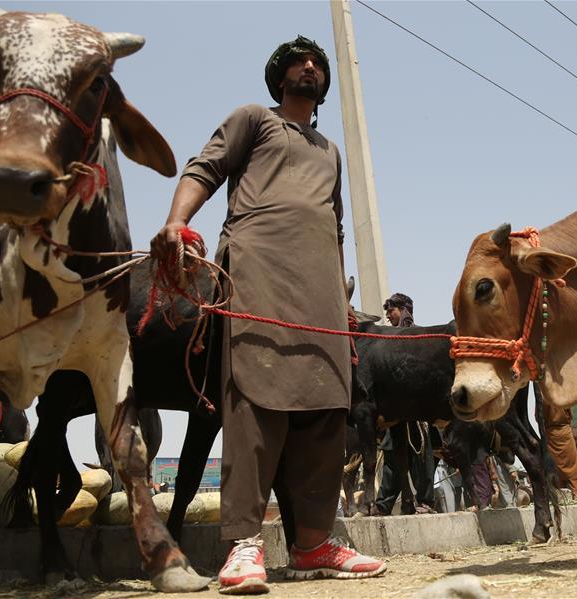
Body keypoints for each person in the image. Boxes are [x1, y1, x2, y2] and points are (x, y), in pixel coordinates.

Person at [151, 36, 385, 594]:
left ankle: (312, 544)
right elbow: (204, 168)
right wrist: (176, 224)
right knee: (256, 395)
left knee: (329, 405)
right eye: (299, 62)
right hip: (257, 269)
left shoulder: (329, 150)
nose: (310, 67)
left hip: (322, 288)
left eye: (318, 63)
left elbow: (335, 225)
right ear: (280, 76)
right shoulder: (254, 118)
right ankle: (244, 545)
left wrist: (343, 299)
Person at [374, 293, 438, 515]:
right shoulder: (388, 338)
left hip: (417, 407)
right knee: (392, 457)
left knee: (422, 456)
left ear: (403, 309)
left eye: (391, 311)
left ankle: (426, 502)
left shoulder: (417, 335)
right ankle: (383, 505)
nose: (388, 316)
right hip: (395, 407)